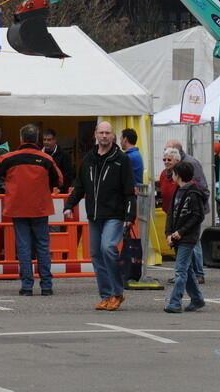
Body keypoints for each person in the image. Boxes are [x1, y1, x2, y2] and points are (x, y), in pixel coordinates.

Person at [0, 124, 63, 296]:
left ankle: (27, 286)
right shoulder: (46, 159)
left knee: (24, 247)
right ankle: (46, 286)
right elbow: (59, 180)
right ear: (37, 140)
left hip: (18, 207)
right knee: (43, 246)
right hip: (40, 208)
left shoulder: (9, 157)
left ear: (21, 139)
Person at [64, 121, 135, 311]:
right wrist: (69, 204)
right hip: (94, 215)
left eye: (108, 133)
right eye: (101, 133)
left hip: (115, 214)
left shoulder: (121, 160)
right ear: (96, 134)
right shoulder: (88, 159)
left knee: (108, 248)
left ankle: (117, 292)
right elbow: (80, 185)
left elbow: (129, 190)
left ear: (113, 136)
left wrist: (130, 215)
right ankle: (106, 295)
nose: (104, 136)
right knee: (95, 254)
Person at [163, 161, 207, 313]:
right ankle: (197, 299)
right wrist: (168, 233)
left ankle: (175, 302)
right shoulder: (178, 191)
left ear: (178, 175)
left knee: (180, 270)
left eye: (173, 173)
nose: (172, 176)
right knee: (186, 270)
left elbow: (197, 216)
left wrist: (180, 232)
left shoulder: (193, 193)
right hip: (178, 237)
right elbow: (171, 214)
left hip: (187, 238)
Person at [166, 140, 207, 283]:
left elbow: (201, 187)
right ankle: (191, 281)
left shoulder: (189, 166)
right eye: (164, 158)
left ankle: (197, 274)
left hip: (190, 210)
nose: (165, 160)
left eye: (168, 157)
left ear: (177, 155)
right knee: (185, 250)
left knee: (193, 243)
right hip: (178, 211)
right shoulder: (170, 172)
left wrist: (196, 200)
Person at [158, 148, 182, 214]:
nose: (166, 162)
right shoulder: (163, 173)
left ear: (177, 161)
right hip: (168, 211)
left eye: (169, 160)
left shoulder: (182, 173)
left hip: (179, 211)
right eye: (164, 160)